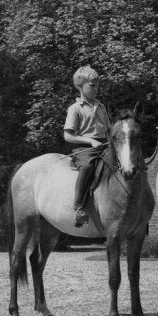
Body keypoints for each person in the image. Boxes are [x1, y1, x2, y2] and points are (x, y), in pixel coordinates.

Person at [63, 65, 111, 227]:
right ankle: (78, 208)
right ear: (80, 86)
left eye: (97, 85)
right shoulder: (75, 108)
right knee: (87, 167)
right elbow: (68, 135)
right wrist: (91, 141)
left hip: (104, 146)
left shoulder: (101, 106)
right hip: (85, 149)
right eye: (92, 85)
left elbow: (108, 129)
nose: (96, 88)